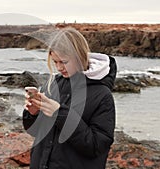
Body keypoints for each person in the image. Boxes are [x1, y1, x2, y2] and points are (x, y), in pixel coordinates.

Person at [22, 27, 117, 169]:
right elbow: (35, 132)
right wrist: (33, 114)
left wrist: (61, 114)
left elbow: (96, 146)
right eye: (55, 62)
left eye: (64, 62)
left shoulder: (102, 95)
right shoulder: (53, 84)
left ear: (79, 56)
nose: (59, 67)